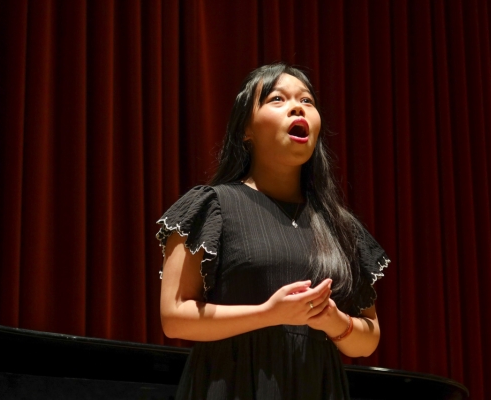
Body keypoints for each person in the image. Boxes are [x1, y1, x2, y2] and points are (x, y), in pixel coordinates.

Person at [157, 63, 390, 399]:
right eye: (277, 99)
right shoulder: (212, 206)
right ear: (245, 131)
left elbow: (368, 338)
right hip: (233, 384)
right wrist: (269, 314)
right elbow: (175, 317)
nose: (298, 107)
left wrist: (334, 321)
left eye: (307, 101)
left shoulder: (341, 226)